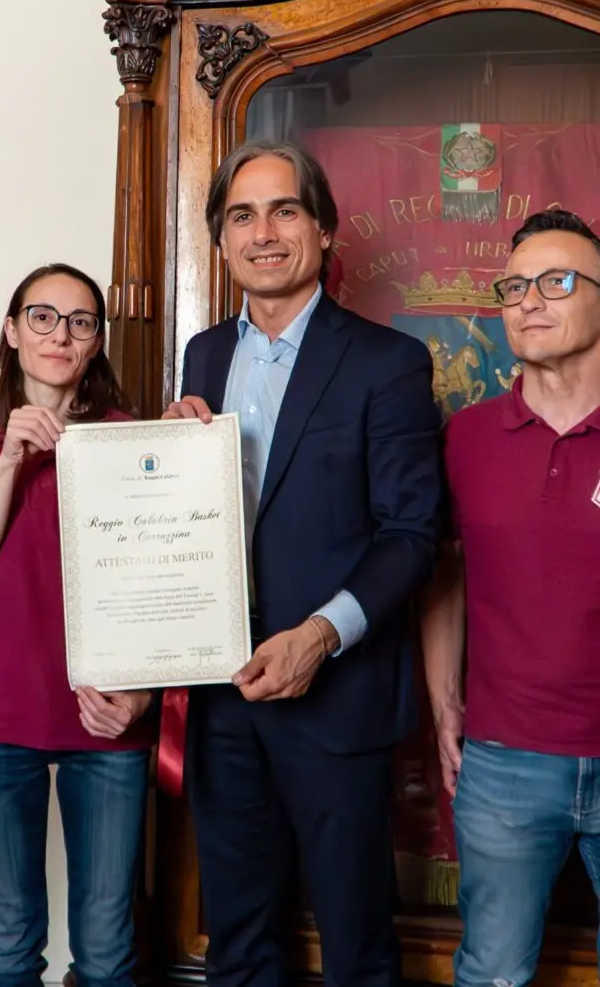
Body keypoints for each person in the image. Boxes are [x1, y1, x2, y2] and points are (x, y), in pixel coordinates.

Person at [165, 142, 443, 987]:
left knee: (355, 944)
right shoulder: (203, 356)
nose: (264, 232)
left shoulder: (385, 362)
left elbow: (412, 533)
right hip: (219, 694)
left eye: (284, 210)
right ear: (220, 242)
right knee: (240, 937)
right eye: (241, 216)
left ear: (321, 230)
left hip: (335, 696)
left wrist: (321, 635)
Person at [0, 264, 156, 987]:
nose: (61, 334)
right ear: (11, 329)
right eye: (42, 316)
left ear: (95, 342)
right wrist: (8, 460)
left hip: (107, 718)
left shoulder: (127, 435)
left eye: (80, 321)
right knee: (10, 943)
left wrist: (144, 695)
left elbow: (159, 585)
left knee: (105, 950)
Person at [421, 209, 600, 987]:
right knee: (492, 973)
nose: (529, 300)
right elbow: (442, 575)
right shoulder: (464, 436)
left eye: (556, 281)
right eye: (514, 286)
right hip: (503, 761)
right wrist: (443, 702)